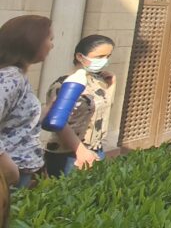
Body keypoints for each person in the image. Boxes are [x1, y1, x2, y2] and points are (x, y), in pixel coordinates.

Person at [43, 34, 115, 177]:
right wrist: (80, 151)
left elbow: (105, 108)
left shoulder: (99, 80)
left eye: (108, 56)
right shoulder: (65, 84)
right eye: (99, 57)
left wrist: (112, 83)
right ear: (80, 57)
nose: (104, 61)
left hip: (95, 149)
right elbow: (58, 122)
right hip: (68, 153)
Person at [0, 15, 53, 188]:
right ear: (30, 41)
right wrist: (9, 168)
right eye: (49, 39)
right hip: (9, 176)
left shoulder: (17, 75)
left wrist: (49, 107)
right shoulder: (11, 78)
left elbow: (16, 123)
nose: (51, 45)